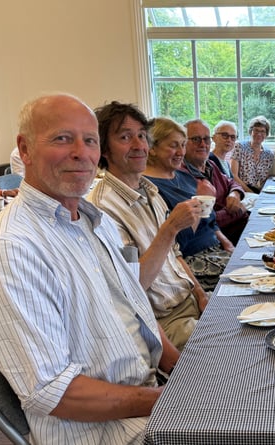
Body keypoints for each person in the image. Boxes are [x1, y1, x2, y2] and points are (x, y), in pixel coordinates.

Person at [0, 93, 181, 444]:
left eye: (90, 140)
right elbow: (52, 392)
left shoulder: (96, 223)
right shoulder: (10, 250)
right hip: (100, 432)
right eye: (63, 139)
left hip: (146, 396)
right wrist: (168, 401)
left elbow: (137, 309)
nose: (82, 153)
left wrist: (179, 367)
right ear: (25, 149)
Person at [88, 101, 208, 350]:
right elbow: (133, 286)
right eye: (125, 137)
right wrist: (170, 229)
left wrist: (200, 293)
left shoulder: (150, 191)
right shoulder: (103, 208)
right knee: (242, 350)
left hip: (190, 301)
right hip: (165, 321)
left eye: (142, 136)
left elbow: (175, 254)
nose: (139, 145)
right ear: (104, 150)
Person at [144, 117, 233, 291]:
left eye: (183, 145)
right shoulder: (150, 189)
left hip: (216, 250)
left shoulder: (183, 177)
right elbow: (176, 245)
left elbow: (211, 221)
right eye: (173, 145)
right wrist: (199, 202)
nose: (181, 152)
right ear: (152, 148)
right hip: (193, 261)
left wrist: (227, 244)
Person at [183, 119, 248, 245]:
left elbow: (231, 182)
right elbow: (203, 220)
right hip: (217, 239)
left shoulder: (210, 164)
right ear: (183, 143)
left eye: (206, 139)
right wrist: (238, 211)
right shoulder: (182, 175)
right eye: (196, 139)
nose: (203, 144)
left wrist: (235, 193)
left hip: (235, 227)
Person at [231, 115, 274, 193]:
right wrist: (251, 192)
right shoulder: (239, 147)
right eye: (256, 130)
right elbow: (233, 175)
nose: (259, 134)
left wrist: (261, 194)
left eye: (262, 131)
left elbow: (264, 180)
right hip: (241, 190)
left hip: (259, 192)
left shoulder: (269, 154)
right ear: (251, 132)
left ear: (266, 134)